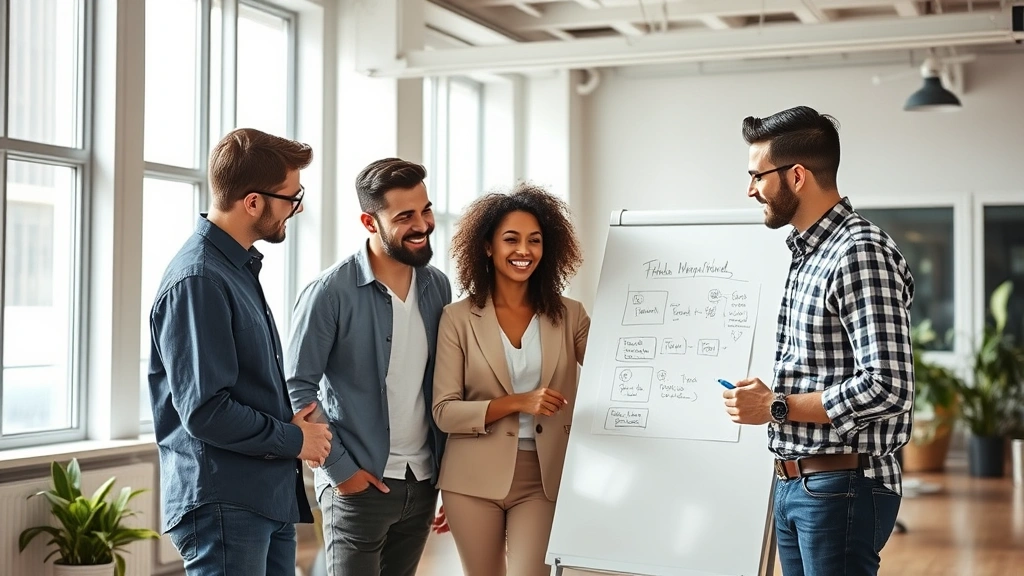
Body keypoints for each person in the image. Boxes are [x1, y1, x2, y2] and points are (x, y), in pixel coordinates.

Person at [722, 106, 915, 576]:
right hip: (798, 484)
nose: (750, 189)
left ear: (798, 175)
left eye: (757, 176)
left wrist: (777, 406)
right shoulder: (809, 253)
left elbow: (889, 385)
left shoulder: (858, 252)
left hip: (841, 485)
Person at [148, 128, 332, 576]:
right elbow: (206, 410)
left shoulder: (236, 269)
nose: (298, 207)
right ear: (253, 202)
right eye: (292, 196)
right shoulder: (200, 280)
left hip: (265, 497)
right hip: (226, 504)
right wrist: (294, 439)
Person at [285, 158, 451, 576]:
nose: (422, 224)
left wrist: (449, 475)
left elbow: (447, 384)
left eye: (425, 210)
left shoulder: (438, 286)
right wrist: (343, 474)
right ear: (369, 222)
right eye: (405, 216)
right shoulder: (330, 293)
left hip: (423, 480)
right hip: (359, 486)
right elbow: (295, 388)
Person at [432, 183, 590, 576]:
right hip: (471, 481)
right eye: (511, 239)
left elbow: (615, 372)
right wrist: (519, 402)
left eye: (534, 241)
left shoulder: (571, 316)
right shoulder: (458, 318)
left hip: (544, 478)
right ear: (488, 247)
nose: (524, 251)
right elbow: (445, 412)